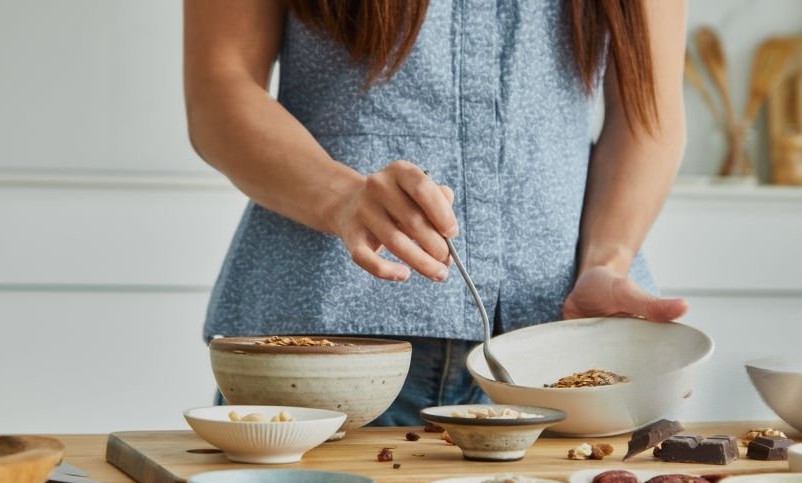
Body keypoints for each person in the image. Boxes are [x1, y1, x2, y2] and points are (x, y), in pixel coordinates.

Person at [184, 0, 689, 425]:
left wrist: (608, 261)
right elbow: (219, 85)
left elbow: (647, 115)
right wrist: (342, 197)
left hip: (561, 356)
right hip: (323, 356)